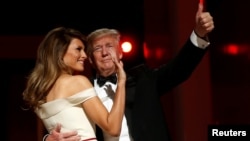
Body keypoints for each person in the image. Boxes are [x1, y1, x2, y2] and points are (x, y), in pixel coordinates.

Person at [44, 3, 214, 141]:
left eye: (110, 46)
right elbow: (58, 115)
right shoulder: (81, 87)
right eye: (97, 48)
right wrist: (48, 139)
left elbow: (180, 69)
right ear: (90, 58)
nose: (104, 52)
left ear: (120, 53)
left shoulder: (144, 79)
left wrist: (198, 34)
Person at [22, 27, 127, 141]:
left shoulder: (40, 90)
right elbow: (113, 129)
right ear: (60, 52)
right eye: (78, 49)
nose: (84, 55)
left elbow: (45, 136)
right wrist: (121, 82)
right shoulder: (78, 82)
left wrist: (46, 139)